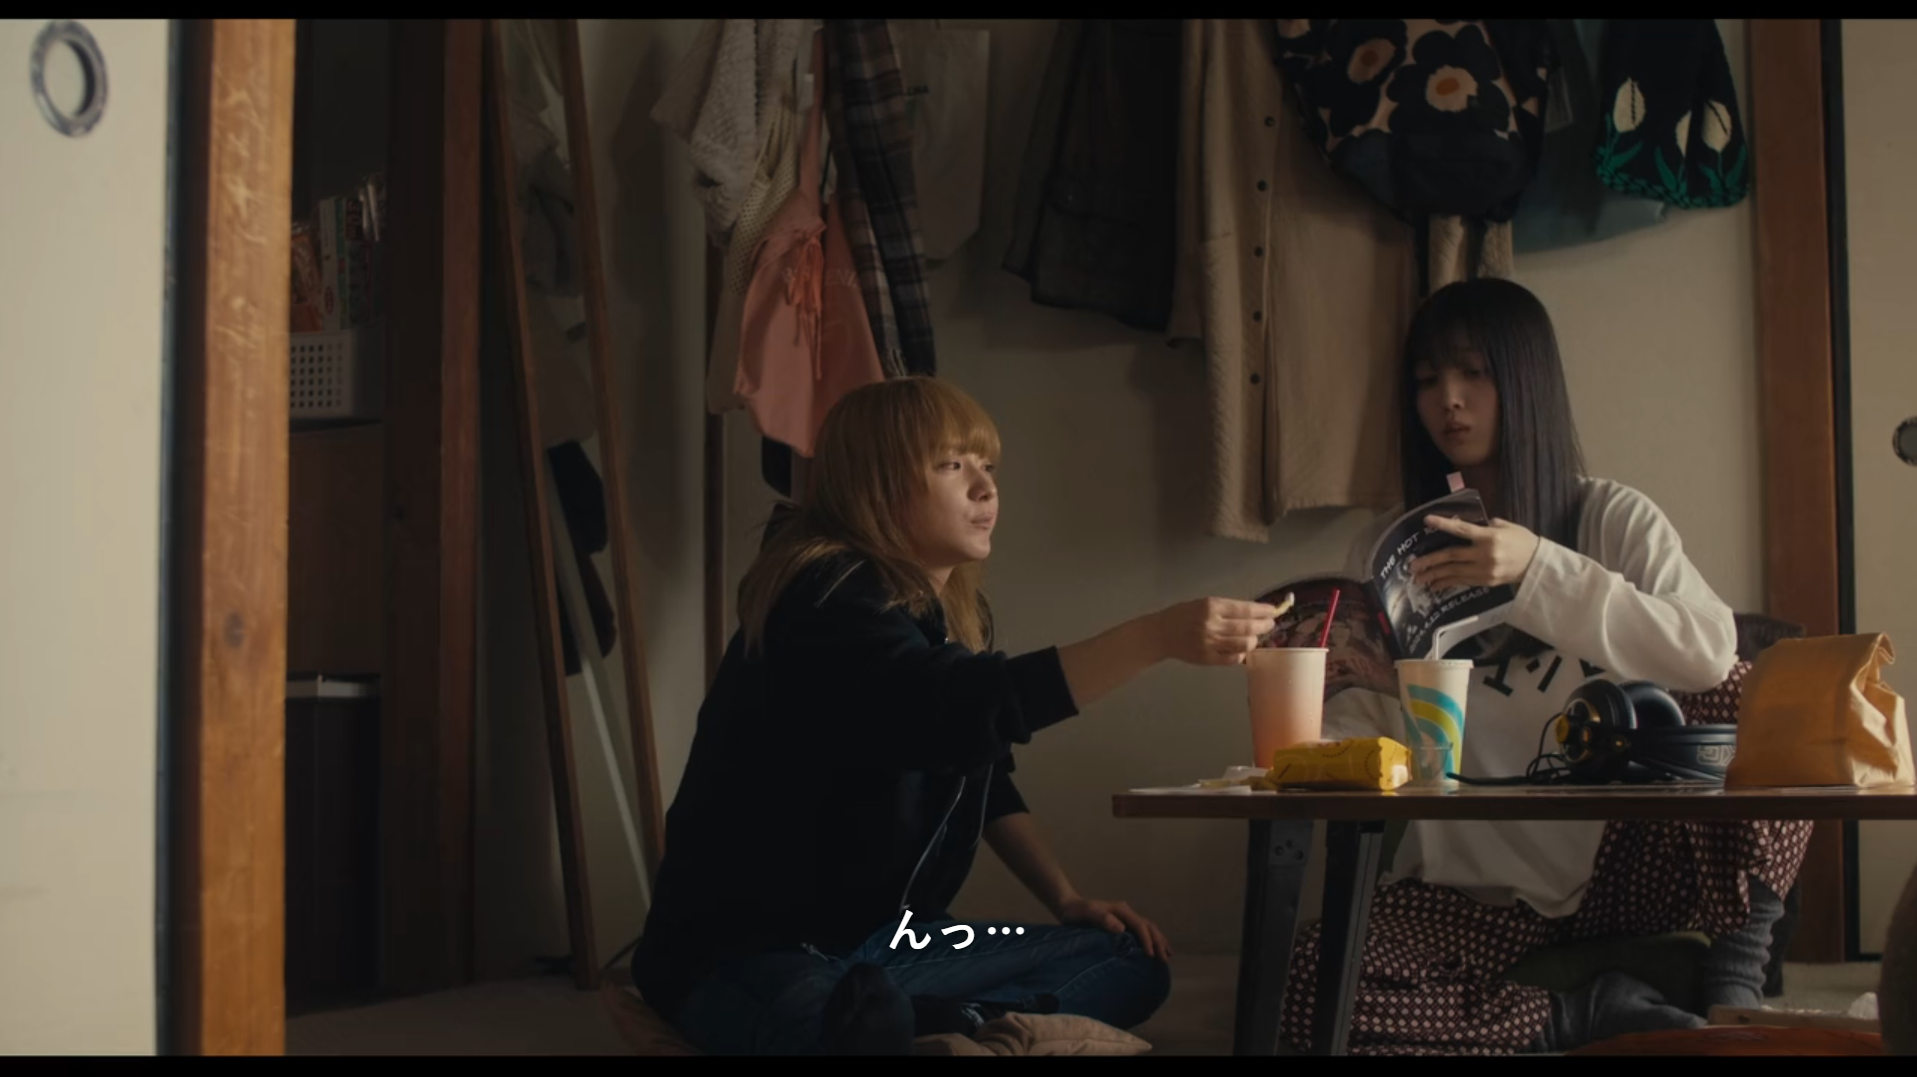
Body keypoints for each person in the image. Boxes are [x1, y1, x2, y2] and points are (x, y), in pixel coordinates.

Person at [632, 375, 1282, 1055]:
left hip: (895, 941)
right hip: (748, 951)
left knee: (1124, 957)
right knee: (823, 1016)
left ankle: (949, 1022)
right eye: (951, 465)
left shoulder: (948, 619)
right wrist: (1154, 637)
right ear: (876, 484)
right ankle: (926, 1023)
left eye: (987, 466)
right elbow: (962, 707)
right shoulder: (823, 593)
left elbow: (985, 771)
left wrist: (1066, 898)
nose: (984, 488)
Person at [1280, 278, 1812, 1054]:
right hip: (1473, 885)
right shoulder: (1389, 549)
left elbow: (1707, 651)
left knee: (1757, 695)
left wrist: (1537, 569)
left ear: (1524, 379)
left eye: (1473, 373)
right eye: (1426, 379)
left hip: (1629, 859)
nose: (1447, 400)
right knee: (1306, 985)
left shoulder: (1609, 517)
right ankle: (1582, 1016)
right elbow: (1367, 732)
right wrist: (1317, 694)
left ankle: (1734, 974)